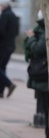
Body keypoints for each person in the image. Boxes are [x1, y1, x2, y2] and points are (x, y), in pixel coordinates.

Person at [24, 10, 49, 138]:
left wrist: (31, 38)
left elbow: (38, 49)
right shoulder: (42, 28)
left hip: (44, 76)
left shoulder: (44, 28)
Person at [0, 0, 18, 98]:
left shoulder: (5, 15)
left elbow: (1, 31)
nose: (0, 8)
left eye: (1, 6)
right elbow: (16, 32)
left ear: (4, 6)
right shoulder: (14, 16)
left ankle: (9, 84)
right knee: (2, 67)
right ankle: (1, 91)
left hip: (2, 46)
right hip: (10, 45)